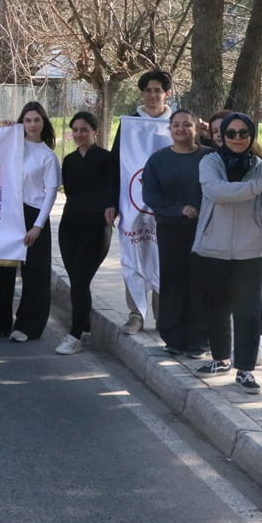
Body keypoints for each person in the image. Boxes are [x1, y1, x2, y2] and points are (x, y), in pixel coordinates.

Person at [191, 113, 262, 392]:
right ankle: (221, 359)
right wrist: (258, 186)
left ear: (252, 136)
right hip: (212, 247)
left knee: (248, 312)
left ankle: (245, 369)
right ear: (223, 136)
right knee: (215, 306)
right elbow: (218, 192)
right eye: (231, 133)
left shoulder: (261, 168)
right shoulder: (210, 162)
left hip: (249, 251)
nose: (238, 138)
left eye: (244, 133)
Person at [0, 101, 61, 342]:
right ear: (21, 123)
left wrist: (38, 225)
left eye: (36, 120)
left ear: (43, 123)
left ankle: (28, 326)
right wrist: (0, 131)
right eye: (28, 120)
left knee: (35, 275)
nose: (32, 124)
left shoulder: (48, 156)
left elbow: (51, 193)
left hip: (33, 215)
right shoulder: (11, 147)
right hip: (7, 213)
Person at [106, 69, 174, 334]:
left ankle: (162, 316)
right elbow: (116, 164)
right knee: (134, 254)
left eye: (158, 90)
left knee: (162, 258)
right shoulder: (130, 123)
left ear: (167, 93)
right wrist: (112, 201)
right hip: (132, 202)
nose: (153, 95)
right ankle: (136, 314)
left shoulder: (177, 123)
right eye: (148, 90)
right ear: (142, 93)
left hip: (166, 207)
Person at [141, 110, 211, 358]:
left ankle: (200, 341)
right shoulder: (158, 160)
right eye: (176, 125)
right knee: (173, 283)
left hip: (205, 232)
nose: (181, 129)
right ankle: (173, 338)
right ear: (169, 130)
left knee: (201, 284)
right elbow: (150, 195)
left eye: (187, 125)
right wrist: (178, 209)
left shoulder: (209, 156)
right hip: (171, 230)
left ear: (196, 129)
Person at [55, 112, 112, 355]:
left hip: (96, 229)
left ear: (94, 131)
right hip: (69, 227)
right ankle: (85, 329)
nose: (79, 134)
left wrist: (111, 208)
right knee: (78, 282)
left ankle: (74, 335)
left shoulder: (107, 159)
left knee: (79, 281)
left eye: (84, 129)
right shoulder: (68, 160)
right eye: (75, 130)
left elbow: (114, 189)